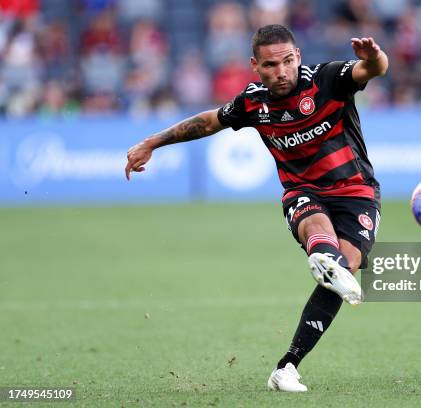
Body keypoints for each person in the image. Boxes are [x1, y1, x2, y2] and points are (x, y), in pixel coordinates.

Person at [125, 24, 388, 392]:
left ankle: (287, 367)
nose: (280, 72)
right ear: (255, 66)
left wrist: (374, 56)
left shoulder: (329, 80)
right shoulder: (253, 103)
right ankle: (324, 257)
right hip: (303, 191)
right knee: (319, 234)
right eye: (270, 65)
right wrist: (153, 142)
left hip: (356, 190)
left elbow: (373, 69)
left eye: (287, 61)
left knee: (347, 268)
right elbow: (207, 123)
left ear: (298, 57)